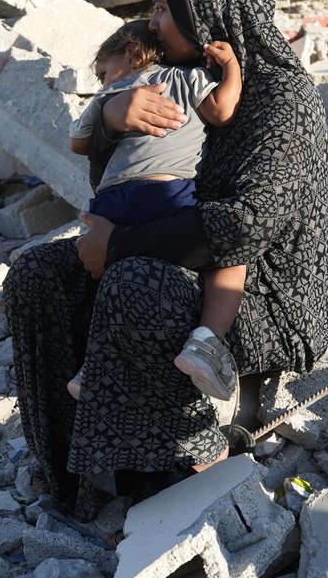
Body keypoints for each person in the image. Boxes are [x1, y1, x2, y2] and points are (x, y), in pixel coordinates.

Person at [3, 0, 328, 515]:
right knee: (36, 274)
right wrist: (111, 119)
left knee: (138, 284)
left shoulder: (284, 101)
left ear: (202, 14)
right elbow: (122, 187)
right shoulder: (174, 78)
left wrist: (120, 246)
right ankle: (67, 472)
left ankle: (184, 468)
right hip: (179, 257)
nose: (150, 23)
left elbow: (245, 227)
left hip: (256, 297)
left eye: (161, 9)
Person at [66, 20, 246, 400]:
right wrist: (231, 67)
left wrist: (110, 113)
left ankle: (93, 367)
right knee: (228, 254)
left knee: (109, 282)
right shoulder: (187, 79)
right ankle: (207, 342)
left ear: (130, 54)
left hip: (110, 202)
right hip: (167, 192)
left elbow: (77, 144)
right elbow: (224, 112)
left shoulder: (107, 97)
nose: (102, 82)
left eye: (102, 72)